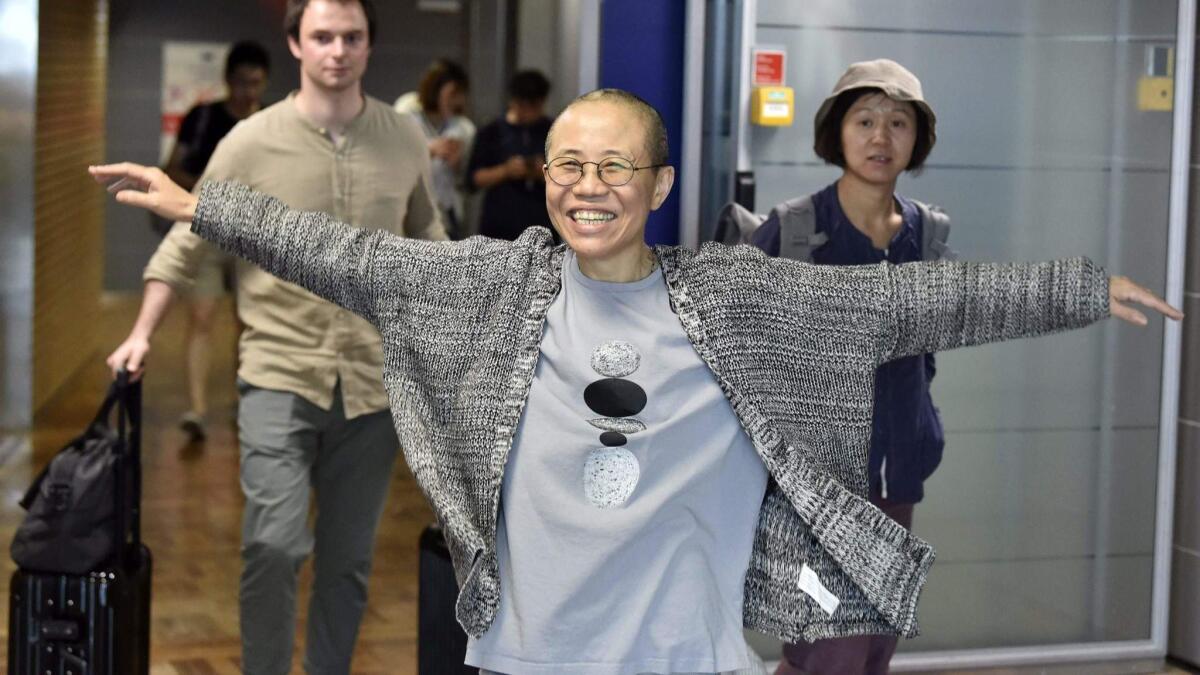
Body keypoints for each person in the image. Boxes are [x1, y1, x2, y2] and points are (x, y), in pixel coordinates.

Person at [92, 88, 1180, 675]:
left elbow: (908, 303)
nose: (587, 185)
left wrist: (1080, 287)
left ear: (659, 184)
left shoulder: (738, 296)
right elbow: (354, 257)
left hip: (688, 659)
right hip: (523, 657)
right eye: (568, 163)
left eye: (616, 165)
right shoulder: (492, 288)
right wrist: (202, 206)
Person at [103, 1, 446, 673]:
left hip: (375, 386)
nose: (338, 51)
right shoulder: (250, 141)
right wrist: (141, 333)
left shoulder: (404, 137)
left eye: (353, 37)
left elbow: (427, 236)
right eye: (322, 36)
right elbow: (187, 240)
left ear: (370, 46)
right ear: (295, 44)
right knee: (275, 543)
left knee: (347, 562)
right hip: (278, 371)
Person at [749, 59, 948, 675]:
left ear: (918, 139)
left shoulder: (930, 235)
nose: (880, 138)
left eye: (898, 123)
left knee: (867, 651)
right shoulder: (796, 230)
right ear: (837, 132)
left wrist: (919, 430)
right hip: (816, 489)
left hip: (896, 479)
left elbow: (927, 358)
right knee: (835, 645)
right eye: (864, 121)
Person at [161, 40, 271, 441]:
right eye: (243, 83)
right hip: (207, 231)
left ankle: (245, 401)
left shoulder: (272, 124)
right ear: (228, 81)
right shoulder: (203, 118)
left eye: (257, 84)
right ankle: (197, 409)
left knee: (249, 323)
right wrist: (211, 193)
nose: (249, 93)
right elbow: (173, 168)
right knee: (201, 318)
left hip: (254, 236)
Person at [466, 69, 554, 241]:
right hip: (498, 228)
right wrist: (505, 171)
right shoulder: (491, 132)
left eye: (534, 107)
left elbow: (568, 175)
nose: (528, 113)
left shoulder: (554, 130)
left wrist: (542, 172)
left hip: (542, 226)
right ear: (513, 101)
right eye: (523, 106)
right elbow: (473, 179)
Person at [396, 58, 475, 238]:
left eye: (461, 95)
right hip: (409, 208)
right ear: (436, 90)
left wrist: (457, 163)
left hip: (446, 211)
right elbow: (394, 157)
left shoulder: (464, 127)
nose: (457, 101)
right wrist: (430, 150)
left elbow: (467, 179)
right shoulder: (407, 111)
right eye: (452, 94)